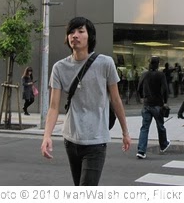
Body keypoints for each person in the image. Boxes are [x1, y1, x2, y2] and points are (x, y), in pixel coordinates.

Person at [41, 17, 131, 186]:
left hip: (96, 140)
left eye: (81, 31)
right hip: (71, 139)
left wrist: (125, 132)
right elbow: (54, 107)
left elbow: (116, 99)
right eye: (71, 32)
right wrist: (47, 136)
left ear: (90, 37)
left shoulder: (105, 63)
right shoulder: (59, 68)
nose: (75, 35)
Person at [136, 56, 171, 159]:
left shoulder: (144, 74)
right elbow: (165, 89)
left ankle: (141, 150)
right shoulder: (161, 75)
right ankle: (163, 144)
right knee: (160, 126)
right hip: (157, 104)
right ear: (158, 64)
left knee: (144, 128)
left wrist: (142, 97)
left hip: (147, 104)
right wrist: (165, 102)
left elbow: (139, 88)